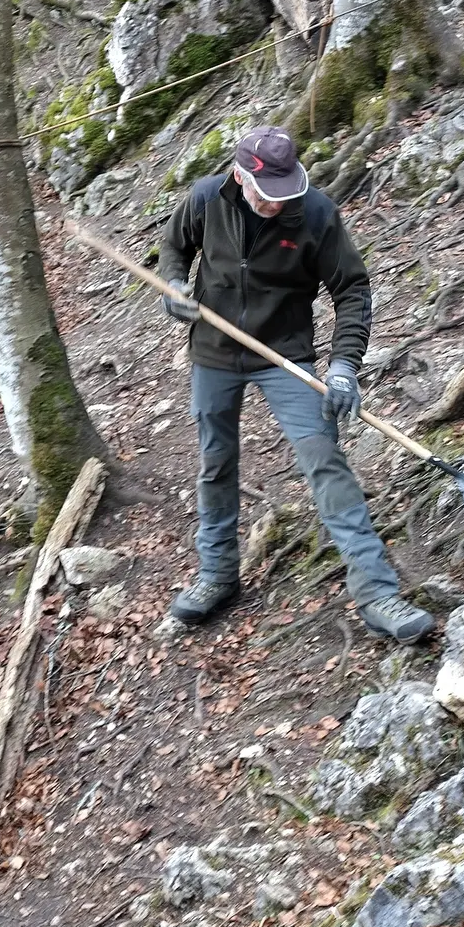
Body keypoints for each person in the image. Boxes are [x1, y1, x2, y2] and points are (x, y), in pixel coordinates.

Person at [157, 125, 434, 643]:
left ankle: (378, 594)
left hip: (285, 357)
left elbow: (351, 288)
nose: (276, 205)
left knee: (325, 461)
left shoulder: (315, 213)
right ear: (240, 176)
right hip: (213, 355)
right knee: (216, 463)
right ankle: (217, 576)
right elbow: (174, 249)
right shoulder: (204, 199)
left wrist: (345, 364)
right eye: (266, 195)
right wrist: (173, 286)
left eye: (284, 193)